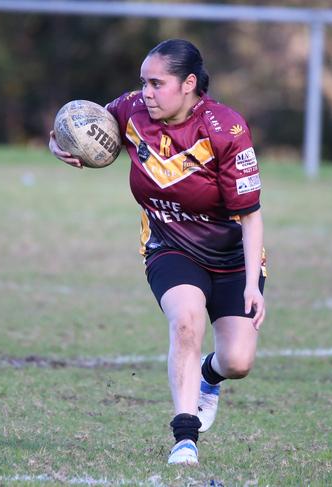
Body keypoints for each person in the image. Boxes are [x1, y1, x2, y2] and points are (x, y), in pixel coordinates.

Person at [49, 38, 266, 466]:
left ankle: (208, 375)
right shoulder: (131, 111)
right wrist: (58, 144)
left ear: (188, 84)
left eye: (156, 83)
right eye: (142, 83)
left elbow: (252, 216)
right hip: (169, 245)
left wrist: (251, 285)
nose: (145, 92)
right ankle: (184, 437)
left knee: (237, 361)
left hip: (231, 256)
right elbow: (79, 123)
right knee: (185, 321)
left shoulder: (226, 129)